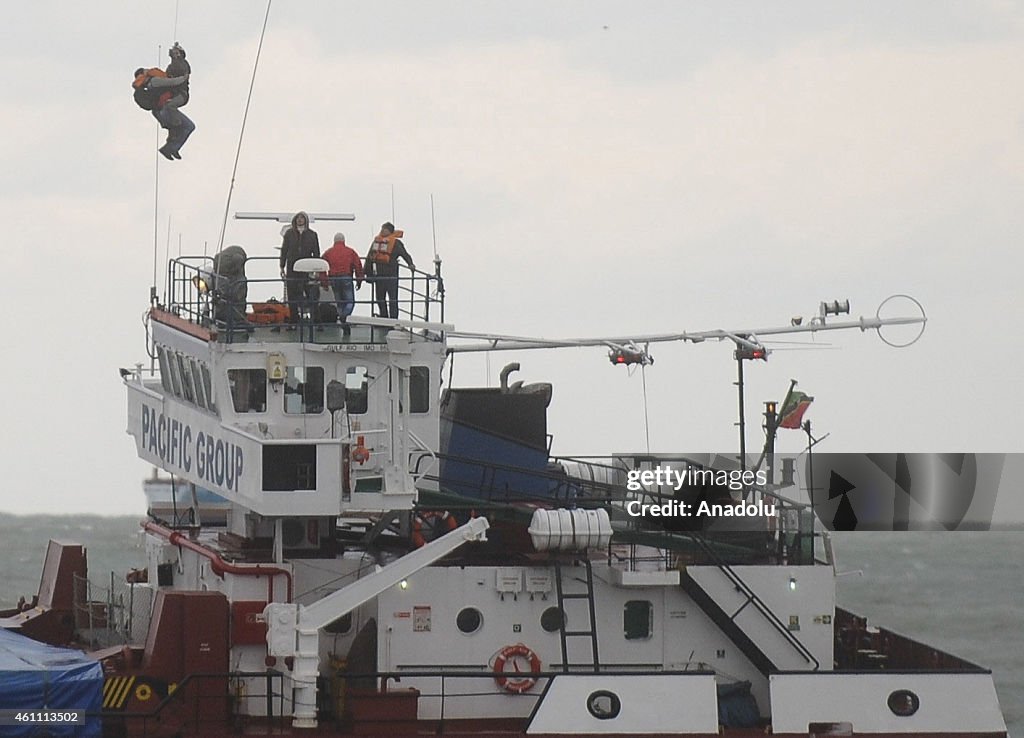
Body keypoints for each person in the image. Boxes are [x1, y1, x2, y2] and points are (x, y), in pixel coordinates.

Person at [279, 212, 321, 328]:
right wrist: (282, 266)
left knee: (311, 293)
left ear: (306, 220)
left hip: (307, 268)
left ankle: (316, 320)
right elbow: (284, 250)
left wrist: (317, 268)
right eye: (298, 218)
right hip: (292, 267)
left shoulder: (312, 235)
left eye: (302, 218)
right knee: (292, 295)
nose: (300, 220)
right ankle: (294, 320)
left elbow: (316, 252)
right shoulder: (289, 234)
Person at [364, 222, 414, 319]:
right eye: (382, 228)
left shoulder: (396, 243)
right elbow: (369, 257)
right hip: (379, 275)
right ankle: (384, 316)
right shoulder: (376, 242)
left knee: (393, 299)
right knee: (379, 298)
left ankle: (393, 319)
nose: (382, 231)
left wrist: (410, 264)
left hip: (391, 275)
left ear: (390, 231)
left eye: (385, 229)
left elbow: (405, 254)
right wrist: (367, 272)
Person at [321, 233, 364, 335]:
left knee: (339, 302)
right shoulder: (350, 251)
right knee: (350, 301)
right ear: (344, 241)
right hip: (346, 277)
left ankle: (342, 318)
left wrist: (325, 282)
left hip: (333, 278)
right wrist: (359, 280)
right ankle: (345, 317)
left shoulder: (328, 252)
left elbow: (322, 267)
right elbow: (358, 265)